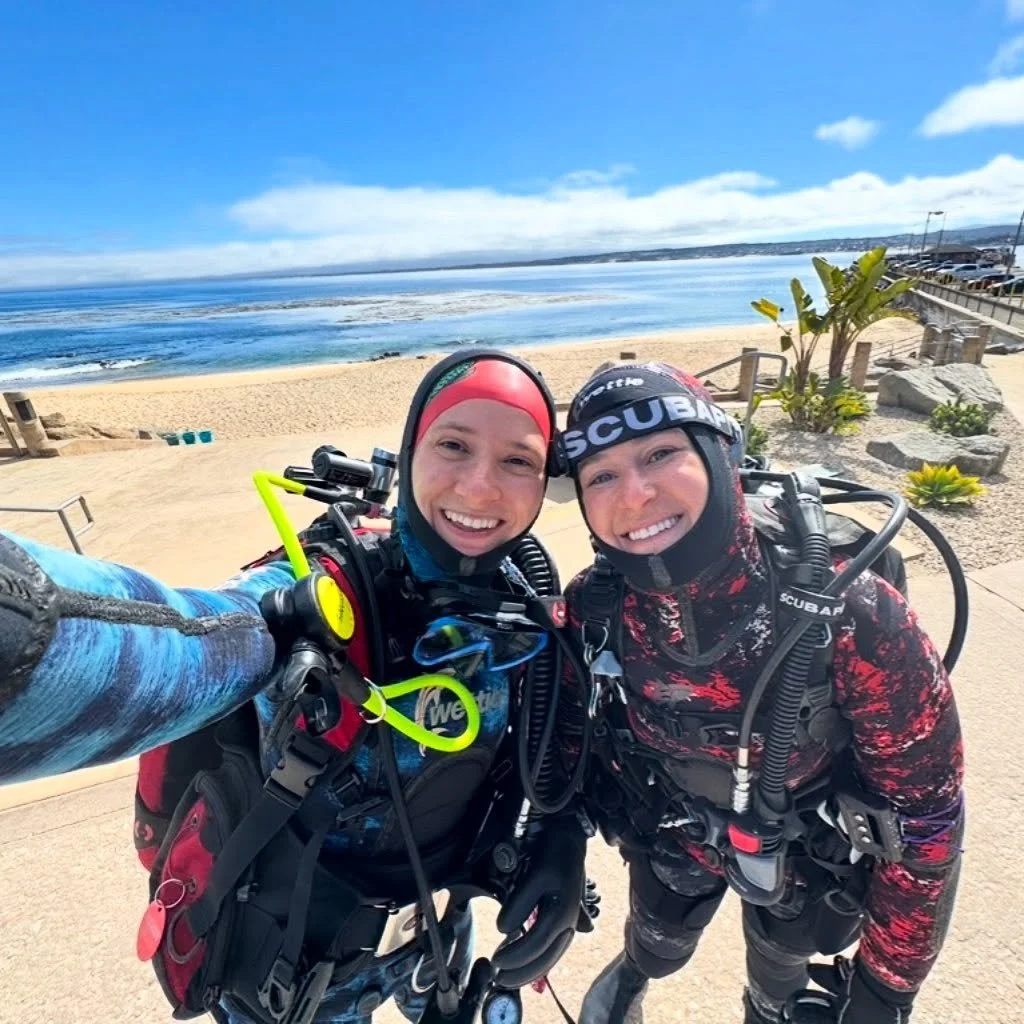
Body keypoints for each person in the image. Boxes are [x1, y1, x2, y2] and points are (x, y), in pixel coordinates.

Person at [0, 349, 590, 1024]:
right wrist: (28, 633)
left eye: (518, 460)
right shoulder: (319, 594)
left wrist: (561, 843)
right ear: (412, 449)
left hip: (439, 927)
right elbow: (189, 645)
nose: (481, 486)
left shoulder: (529, 618)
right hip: (292, 959)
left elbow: (562, 752)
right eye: (453, 444)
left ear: (546, 483)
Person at [555, 362, 964, 1024]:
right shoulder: (595, 608)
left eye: (661, 453)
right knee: (659, 942)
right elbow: (571, 745)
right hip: (671, 831)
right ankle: (636, 973)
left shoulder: (851, 611)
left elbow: (925, 822)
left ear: (720, 455)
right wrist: (557, 854)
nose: (634, 493)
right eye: (601, 474)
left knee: (778, 974)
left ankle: (765, 1007)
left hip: (801, 849)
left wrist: (885, 992)